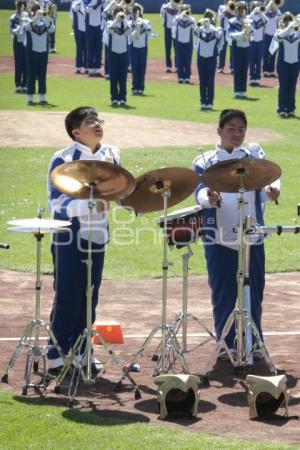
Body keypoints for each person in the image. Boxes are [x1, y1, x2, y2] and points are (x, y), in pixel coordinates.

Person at [192, 109, 280, 358]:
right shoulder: (205, 160)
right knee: (223, 293)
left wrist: (273, 189)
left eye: (241, 129)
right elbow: (199, 192)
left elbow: (269, 180)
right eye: (231, 128)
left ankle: (254, 341)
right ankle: (226, 344)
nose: (237, 134)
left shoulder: (253, 154)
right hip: (218, 238)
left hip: (252, 236)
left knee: (255, 292)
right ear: (219, 131)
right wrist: (208, 197)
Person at [47, 106, 121, 374]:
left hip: (98, 235)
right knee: (68, 293)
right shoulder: (62, 158)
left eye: (98, 120)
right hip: (69, 236)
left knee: (91, 295)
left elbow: (121, 190)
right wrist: (88, 205)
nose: (97, 124)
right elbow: (56, 203)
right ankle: (55, 352)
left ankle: (81, 350)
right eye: (90, 121)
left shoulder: (111, 154)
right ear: (76, 131)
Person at [24, 1, 55, 105]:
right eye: (35, 11)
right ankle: (30, 98)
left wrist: (45, 17)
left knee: (42, 75)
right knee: (31, 74)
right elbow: (27, 27)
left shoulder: (45, 21)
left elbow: (51, 29)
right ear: (32, 12)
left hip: (43, 51)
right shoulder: (28, 19)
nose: (38, 13)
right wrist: (36, 17)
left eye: (38, 11)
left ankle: (42, 97)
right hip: (32, 51)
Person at [271, 12, 300, 118]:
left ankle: (291, 109)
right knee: (283, 86)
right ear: (283, 22)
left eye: (290, 20)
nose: (288, 22)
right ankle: (281, 109)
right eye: (286, 20)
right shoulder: (280, 31)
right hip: (283, 63)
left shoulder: (297, 33)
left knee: (292, 87)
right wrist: (289, 28)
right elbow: (278, 37)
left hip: (295, 63)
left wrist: (296, 26)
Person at [194, 9, 223, 110]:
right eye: (207, 17)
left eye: (210, 17)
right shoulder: (200, 29)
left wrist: (210, 26)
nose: (208, 19)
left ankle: (210, 102)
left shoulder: (217, 29)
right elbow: (195, 33)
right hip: (201, 57)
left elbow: (219, 38)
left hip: (212, 57)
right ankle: (203, 102)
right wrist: (200, 24)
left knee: (210, 81)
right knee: (202, 80)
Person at [228, 1, 254, 99]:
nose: (242, 11)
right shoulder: (232, 21)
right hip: (236, 46)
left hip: (246, 46)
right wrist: (242, 33)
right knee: (237, 69)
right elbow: (231, 35)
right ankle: (237, 91)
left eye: (243, 9)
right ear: (236, 10)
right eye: (240, 9)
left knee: (244, 69)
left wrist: (249, 27)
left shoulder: (249, 21)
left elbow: (253, 34)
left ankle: (243, 91)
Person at [106, 6, 131, 107]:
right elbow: (109, 30)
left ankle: (123, 98)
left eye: (121, 13)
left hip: (123, 53)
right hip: (113, 53)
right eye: (118, 13)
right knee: (113, 77)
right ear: (114, 14)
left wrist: (124, 20)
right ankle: (114, 98)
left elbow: (128, 32)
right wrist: (116, 19)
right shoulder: (110, 23)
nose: (120, 15)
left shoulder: (126, 23)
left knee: (123, 77)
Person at [129, 3, 152, 95]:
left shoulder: (146, 22)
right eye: (135, 12)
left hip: (143, 47)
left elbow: (150, 32)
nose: (136, 13)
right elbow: (130, 36)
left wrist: (142, 22)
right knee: (134, 68)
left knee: (142, 69)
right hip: (134, 47)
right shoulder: (130, 23)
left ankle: (141, 87)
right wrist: (136, 24)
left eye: (138, 11)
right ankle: (135, 87)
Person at [172, 3, 196, 84]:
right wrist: (181, 15)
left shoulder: (192, 19)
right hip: (179, 42)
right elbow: (174, 23)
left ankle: (187, 77)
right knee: (179, 60)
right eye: (183, 10)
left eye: (186, 10)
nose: (185, 11)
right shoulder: (177, 18)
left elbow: (194, 27)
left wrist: (188, 16)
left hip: (188, 43)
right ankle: (180, 77)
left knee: (188, 60)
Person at [247, 1, 268, 86]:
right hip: (252, 41)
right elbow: (246, 20)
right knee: (251, 60)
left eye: (257, 6)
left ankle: (257, 78)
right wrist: (253, 12)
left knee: (259, 61)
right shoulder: (250, 17)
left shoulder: (262, 17)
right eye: (254, 7)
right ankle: (252, 77)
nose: (256, 8)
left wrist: (261, 13)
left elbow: (266, 21)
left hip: (260, 41)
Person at [10, 0, 28, 94]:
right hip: (17, 43)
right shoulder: (13, 17)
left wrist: (25, 22)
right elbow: (13, 31)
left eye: (23, 5)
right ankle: (18, 85)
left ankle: (25, 84)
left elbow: (29, 28)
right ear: (17, 7)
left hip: (26, 43)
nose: (22, 7)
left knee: (26, 64)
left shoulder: (27, 16)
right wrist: (20, 25)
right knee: (18, 64)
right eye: (20, 6)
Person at [160, 0, 181, 73]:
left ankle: (177, 66)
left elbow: (181, 15)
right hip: (168, 29)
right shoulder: (164, 6)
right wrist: (171, 4)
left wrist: (176, 5)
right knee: (168, 48)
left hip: (176, 29)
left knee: (177, 48)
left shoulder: (179, 6)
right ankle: (168, 66)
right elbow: (162, 15)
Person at [263, 0, 282, 78]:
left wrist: (275, 6)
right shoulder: (265, 11)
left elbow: (280, 17)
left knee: (273, 53)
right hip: (266, 35)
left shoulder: (277, 12)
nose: (272, 5)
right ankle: (265, 70)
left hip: (274, 35)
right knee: (265, 53)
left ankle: (271, 70)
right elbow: (263, 12)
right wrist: (269, 4)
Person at [71, 0, 87, 74]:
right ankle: (78, 67)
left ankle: (87, 66)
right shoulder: (76, 2)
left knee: (87, 49)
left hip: (87, 29)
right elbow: (73, 9)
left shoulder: (88, 2)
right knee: (79, 48)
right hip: (78, 29)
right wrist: (80, 2)